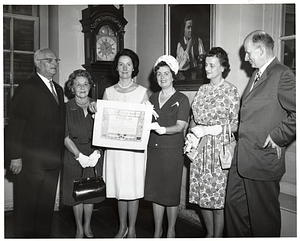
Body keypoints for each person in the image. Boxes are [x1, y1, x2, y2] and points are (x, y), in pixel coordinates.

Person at [225, 30, 296, 237]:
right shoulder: (257, 75)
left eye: (248, 53)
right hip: (243, 158)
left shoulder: (282, 74)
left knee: (263, 221)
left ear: (261, 50)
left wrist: (278, 136)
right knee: (234, 208)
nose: (245, 58)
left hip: (262, 159)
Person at [89, 49, 149, 238]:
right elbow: (102, 121)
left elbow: (146, 124)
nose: (124, 68)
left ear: (134, 68)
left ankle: (132, 229)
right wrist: (94, 110)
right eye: (121, 64)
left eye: (128, 64)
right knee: (119, 189)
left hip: (134, 151)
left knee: (133, 187)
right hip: (115, 149)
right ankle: (122, 228)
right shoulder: (108, 92)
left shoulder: (142, 92)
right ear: (116, 67)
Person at [6, 48, 65, 237]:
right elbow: (16, 125)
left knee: (45, 209)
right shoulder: (27, 87)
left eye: (56, 60)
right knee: (26, 210)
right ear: (37, 63)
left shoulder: (58, 89)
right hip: (30, 162)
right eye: (49, 60)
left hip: (53, 161)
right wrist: (15, 157)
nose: (54, 63)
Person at [187, 47, 240, 237]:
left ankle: (218, 237)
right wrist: (191, 136)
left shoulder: (231, 91)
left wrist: (212, 130)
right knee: (203, 197)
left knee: (218, 199)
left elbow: (236, 125)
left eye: (211, 65)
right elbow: (194, 118)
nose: (206, 68)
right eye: (205, 65)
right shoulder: (202, 90)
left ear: (223, 68)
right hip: (200, 151)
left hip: (219, 153)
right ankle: (209, 234)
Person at [144, 55, 190, 238]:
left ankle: (171, 230)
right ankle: (157, 230)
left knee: (170, 193)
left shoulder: (182, 98)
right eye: (159, 74)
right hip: (153, 150)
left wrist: (162, 130)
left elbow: (180, 126)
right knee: (155, 192)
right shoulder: (152, 98)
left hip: (172, 152)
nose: (162, 77)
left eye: (166, 73)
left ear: (173, 76)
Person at [61, 69, 104, 238]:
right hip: (73, 154)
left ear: (90, 87)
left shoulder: (98, 105)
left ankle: (87, 226)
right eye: (78, 84)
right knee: (76, 194)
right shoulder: (66, 108)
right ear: (72, 88)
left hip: (94, 155)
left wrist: (98, 153)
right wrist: (79, 156)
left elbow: (106, 133)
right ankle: (79, 227)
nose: (82, 87)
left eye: (85, 84)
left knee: (91, 192)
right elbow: (64, 136)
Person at [176, 15, 205, 80]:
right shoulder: (180, 44)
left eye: (192, 27)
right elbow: (181, 67)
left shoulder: (198, 41)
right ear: (183, 29)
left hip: (197, 76)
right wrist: (188, 47)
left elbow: (202, 60)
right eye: (188, 27)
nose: (191, 30)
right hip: (184, 78)